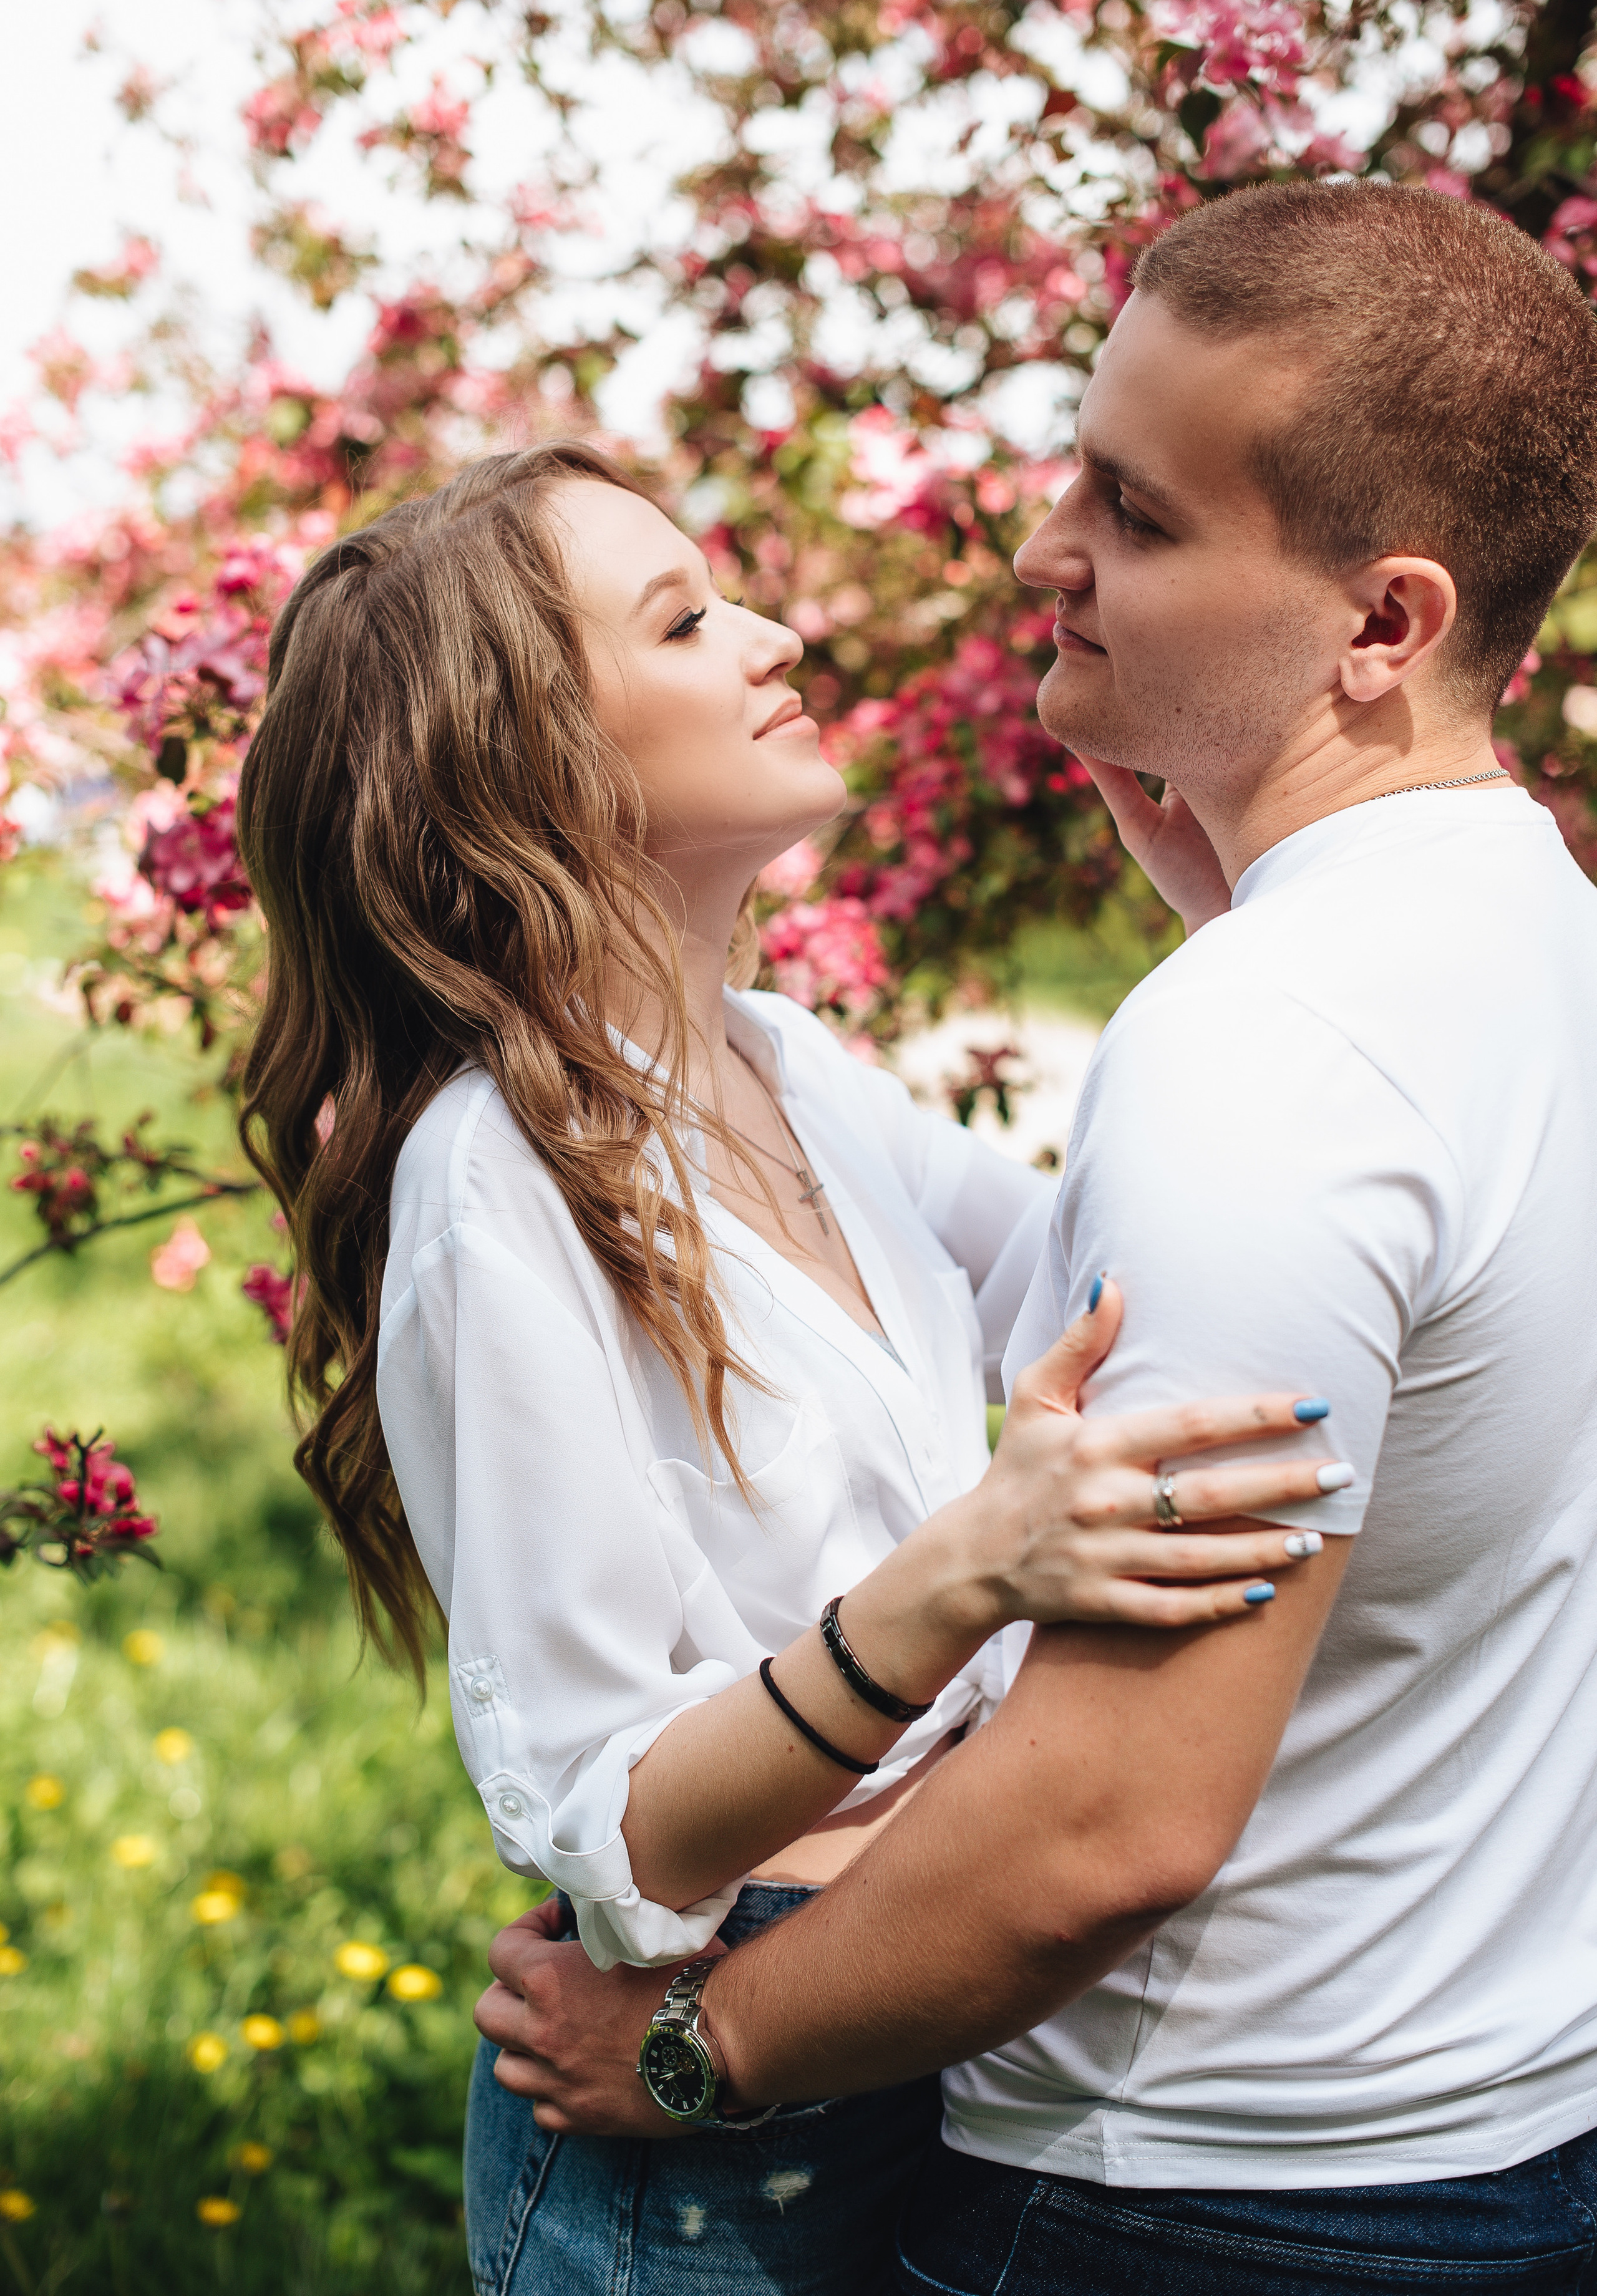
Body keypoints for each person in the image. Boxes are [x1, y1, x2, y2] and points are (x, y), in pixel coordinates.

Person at [477, 180, 1597, 2294]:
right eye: (1078, 472)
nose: (1041, 555)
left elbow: (1112, 1822)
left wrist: (698, 2057)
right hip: (1496, 2127)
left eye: (1143, 519)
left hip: (1190, 2188)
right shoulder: (1531, 930)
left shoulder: (1276, 1048)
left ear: (1386, 624)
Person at [234, 440, 1337, 2296]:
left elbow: (1141, 1290)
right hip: (699, 2147)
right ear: (528, 766)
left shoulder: (792, 1067)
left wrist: (1238, 924)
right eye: (685, 620)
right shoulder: (494, 1184)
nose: (772, 631)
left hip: (906, 2022)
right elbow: (620, 1816)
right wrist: (956, 1580)